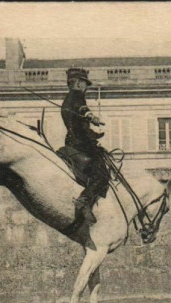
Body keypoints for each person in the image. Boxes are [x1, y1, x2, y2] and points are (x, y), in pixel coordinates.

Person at [61, 68, 109, 224]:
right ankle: (84, 200)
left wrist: (94, 134)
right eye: (85, 84)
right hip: (82, 144)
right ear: (78, 83)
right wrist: (92, 117)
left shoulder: (67, 100)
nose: (86, 87)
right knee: (103, 175)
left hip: (73, 142)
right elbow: (83, 109)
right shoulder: (76, 96)